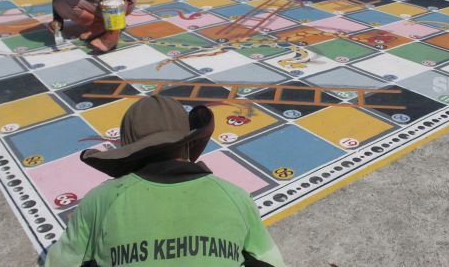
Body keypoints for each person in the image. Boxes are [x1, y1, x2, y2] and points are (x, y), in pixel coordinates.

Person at [44, 94, 286, 267]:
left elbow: (59, 262)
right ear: (189, 143)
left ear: (127, 153)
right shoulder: (235, 196)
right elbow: (271, 261)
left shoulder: (100, 201)